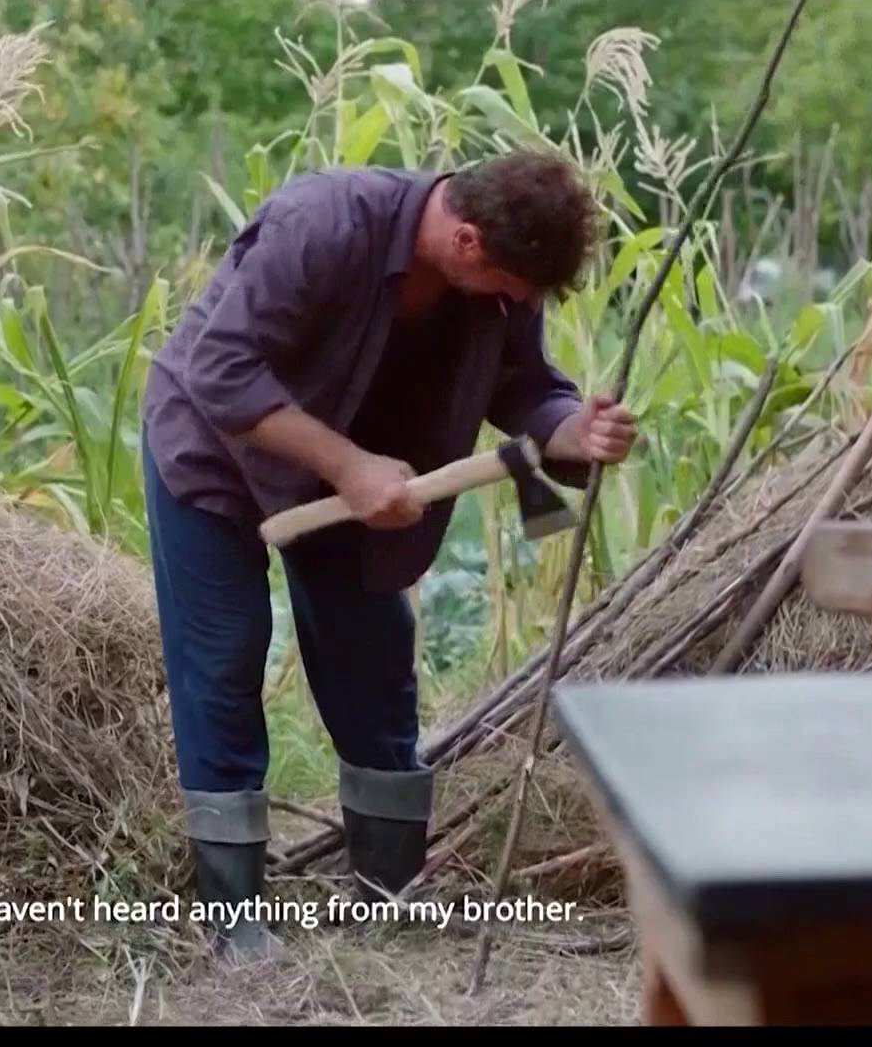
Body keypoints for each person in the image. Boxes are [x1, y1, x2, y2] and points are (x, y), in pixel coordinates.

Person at [138, 150, 637, 963]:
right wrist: (347, 466)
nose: (520, 305)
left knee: (372, 661)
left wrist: (569, 428)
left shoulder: (501, 280)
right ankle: (235, 920)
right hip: (214, 452)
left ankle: (389, 897)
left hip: (365, 479)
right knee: (224, 657)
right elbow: (220, 371)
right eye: (515, 288)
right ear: (467, 240)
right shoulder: (322, 224)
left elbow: (526, 386)